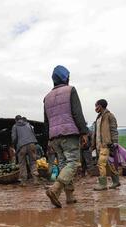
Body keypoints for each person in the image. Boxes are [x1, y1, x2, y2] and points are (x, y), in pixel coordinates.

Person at [44, 65, 88, 207]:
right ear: (66, 77)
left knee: (63, 164)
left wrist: (49, 139)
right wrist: (84, 132)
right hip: (69, 132)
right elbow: (77, 113)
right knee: (73, 163)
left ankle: (69, 196)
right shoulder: (70, 90)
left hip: (54, 136)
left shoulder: (47, 97)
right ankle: (55, 189)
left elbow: (47, 121)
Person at [92, 99, 120, 191]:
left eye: (96, 106)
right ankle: (116, 181)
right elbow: (96, 133)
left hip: (106, 144)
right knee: (108, 163)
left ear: (100, 106)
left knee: (101, 163)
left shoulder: (109, 116)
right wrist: (93, 145)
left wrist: (115, 142)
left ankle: (102, 184)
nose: (95, 108)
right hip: (99, 145)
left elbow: (113, 130)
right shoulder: (98, 118)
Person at [11, 115, 39, 185]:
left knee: (22, 163)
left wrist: (15, 144)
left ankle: (23, 181)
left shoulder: (15, 126)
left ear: (15, 120)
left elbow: (14, 138)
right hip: (32, 144)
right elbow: (33, 134)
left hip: (21, 146)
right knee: (33, 162)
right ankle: (35, 180)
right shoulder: (28, 124)